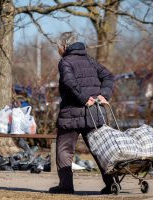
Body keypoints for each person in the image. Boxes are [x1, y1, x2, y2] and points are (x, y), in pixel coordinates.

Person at [48, 32, 115, 194]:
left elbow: (69, 82)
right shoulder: (90, 60)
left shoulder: (65, 61)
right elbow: (109, 76)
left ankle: (65, 186)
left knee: (64, 149)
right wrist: (103, 95)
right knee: (99, 149)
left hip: (71, 112)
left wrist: (85, 98)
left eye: (58, 47)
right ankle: (111, 184)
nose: (58, 50)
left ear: (64, 46)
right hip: (93, 112)